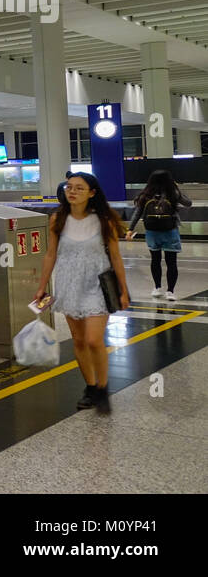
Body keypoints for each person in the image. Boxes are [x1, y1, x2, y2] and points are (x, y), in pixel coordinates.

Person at [33, 172, 130, 413]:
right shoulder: (58, 219)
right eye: (69, 187)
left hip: (97, 284)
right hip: (69, 283)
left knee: (93, 340)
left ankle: (103, 387)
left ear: (92, 193)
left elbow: (116, 257)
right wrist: (42, 286)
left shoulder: (104, 220)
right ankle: (91, 387)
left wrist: (124, 291)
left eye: (79, 188)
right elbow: (50, 254)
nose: (72, 191)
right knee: (78, 340)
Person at [125, 169, 192, 301]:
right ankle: (170, 291)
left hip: (152, 232)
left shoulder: (146, 194)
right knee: (171, 262)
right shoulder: (172, 193)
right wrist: (177, 188)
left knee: (155, 260)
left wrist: (130, 229)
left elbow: (138, 213)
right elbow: (188, 203)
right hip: (170, 231)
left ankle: (157, 288)